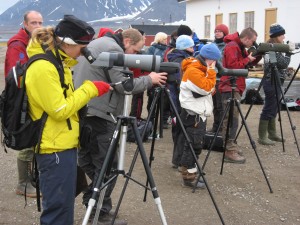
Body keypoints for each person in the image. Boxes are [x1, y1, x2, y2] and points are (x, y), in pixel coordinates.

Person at [73, 28, 167, 224]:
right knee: (109, 166)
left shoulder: (98, 44)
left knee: (88, 158)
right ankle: (99, 214)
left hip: (83, 111)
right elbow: (125, 86)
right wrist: (150, 79)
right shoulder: (113, 49)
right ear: (126, 41)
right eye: (135, 51)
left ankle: (93, 199)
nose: (133, 56)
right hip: (100, 113)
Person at [25, 15, 111, 225]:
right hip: (53, 149)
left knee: (64, 206)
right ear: (68, 43)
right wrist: (90, 89)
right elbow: (60, 109)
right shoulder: (44, 67)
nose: (85, 51)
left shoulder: (58, 62)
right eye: (83, 46)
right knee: (57, 209)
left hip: (63, 144)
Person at [4, 10, 43, 198]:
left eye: (40, 23)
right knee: (27, 137)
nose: (38, 26)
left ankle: (33, 178)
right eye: (34, 23)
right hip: (22, 99)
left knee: (36, 136)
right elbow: (16, 76)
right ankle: (23, 183)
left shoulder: (34, 42)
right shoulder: (17, 44)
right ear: (25, 24)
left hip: (33, 97)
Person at [178, 43, 221, 188]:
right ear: (210, 59)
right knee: (193, 146)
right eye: (214, 61)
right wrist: (212, 71)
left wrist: (209, 78)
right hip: (194, 114)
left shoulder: (199, 68)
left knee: (193, 144)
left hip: (197, 113)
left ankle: (190, 172)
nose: (215, 64)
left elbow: (208, 88)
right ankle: (189, 178)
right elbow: (207, 87)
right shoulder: (194, 71)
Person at [219, 27, 262, 164]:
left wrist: (258, 55)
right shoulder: (232, 46)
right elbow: (232, 67)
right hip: (229, 86)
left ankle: (230, 145)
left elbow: (244, 62)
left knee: (233, 118)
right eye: (253, 42)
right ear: (247, 39)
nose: (253, 44)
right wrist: (247, 59)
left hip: (235, 86)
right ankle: (228, 149)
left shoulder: (238, 45)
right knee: (231, 118)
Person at [258, 24, 291, 145]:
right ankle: (262, 137)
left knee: (275, 106)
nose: (284, 37)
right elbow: (283, 64)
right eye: (282, 34)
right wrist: (288, 53)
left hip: (275, 81)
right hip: (271, 81)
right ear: (276, 36)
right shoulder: (271, 48)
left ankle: (272, 133)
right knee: (269, 107)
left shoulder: (274, 47)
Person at [166, 35, 195, 169]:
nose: (193, 48)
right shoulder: (181, 61)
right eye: (191, 46)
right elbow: (181, 83)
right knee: (182, 130)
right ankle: (179, 160)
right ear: (185, 47)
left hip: (174, 100)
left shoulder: (173, 57)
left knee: (177, 129)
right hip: (180, 101)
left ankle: (176, 159)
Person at [208, 24, 229, 133]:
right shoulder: (212, 45)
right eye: (216, 31)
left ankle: (221, 128)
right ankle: (216, 127)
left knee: (221, 105)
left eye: (219, 31)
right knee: (214, 105)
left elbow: (223, 61)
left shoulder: (227, 46)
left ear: (225, 33)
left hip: (221, 78)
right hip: (211, 78)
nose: (217, 33)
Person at [145, 32, 169, 130]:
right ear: (159, 39)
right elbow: (148, 62)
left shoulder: (168, 49)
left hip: (165, 76)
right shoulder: (152, 49)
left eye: (166, 39)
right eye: (164, 39)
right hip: (154, 77)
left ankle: (163, 121)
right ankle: (150, 119)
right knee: (152, 100)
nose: (166, 41)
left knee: (165, 101)